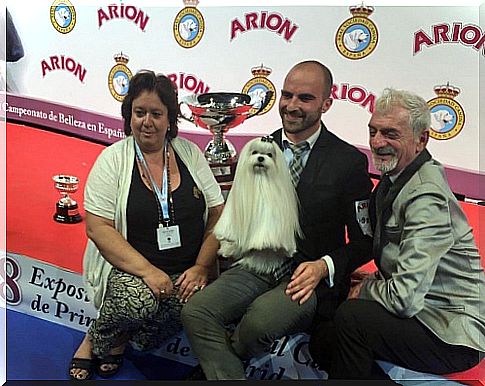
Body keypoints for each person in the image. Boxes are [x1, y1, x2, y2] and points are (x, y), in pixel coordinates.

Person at [181, 60, 373, 380]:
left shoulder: (349, 162)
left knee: (259, 324)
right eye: (287, 95)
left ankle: (216, 369)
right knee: (196, 311)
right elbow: (234, 214)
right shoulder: (258, 149)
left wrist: (323, 266)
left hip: (306, 278)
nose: (292, 106)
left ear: (326, 104)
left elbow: (366, 241)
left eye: (305, 98)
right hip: (256, 265)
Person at [310, 88, 485, 379]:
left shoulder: (426, 197)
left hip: (451, 332)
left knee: (351, 320)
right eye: (373, 131)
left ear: (422, 139)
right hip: (424, 311)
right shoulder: (397, 178)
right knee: (323, 339)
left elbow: (404, 299)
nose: (377, 143)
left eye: (390, 134)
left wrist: (365, 290)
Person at [68, 70, 224, 380]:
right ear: (129, 116)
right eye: (139, 113)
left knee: (192, 311)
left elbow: (218, 214)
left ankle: (123, 339)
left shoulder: (190, 153)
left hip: (187, 269)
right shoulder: (112, 159)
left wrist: (203, 267)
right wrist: (147, 271)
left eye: (156, 113)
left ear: (170, 118)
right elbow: (98, 227)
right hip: (132, 269)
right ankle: (96, 338)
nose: (147, 122)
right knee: (138, 303)